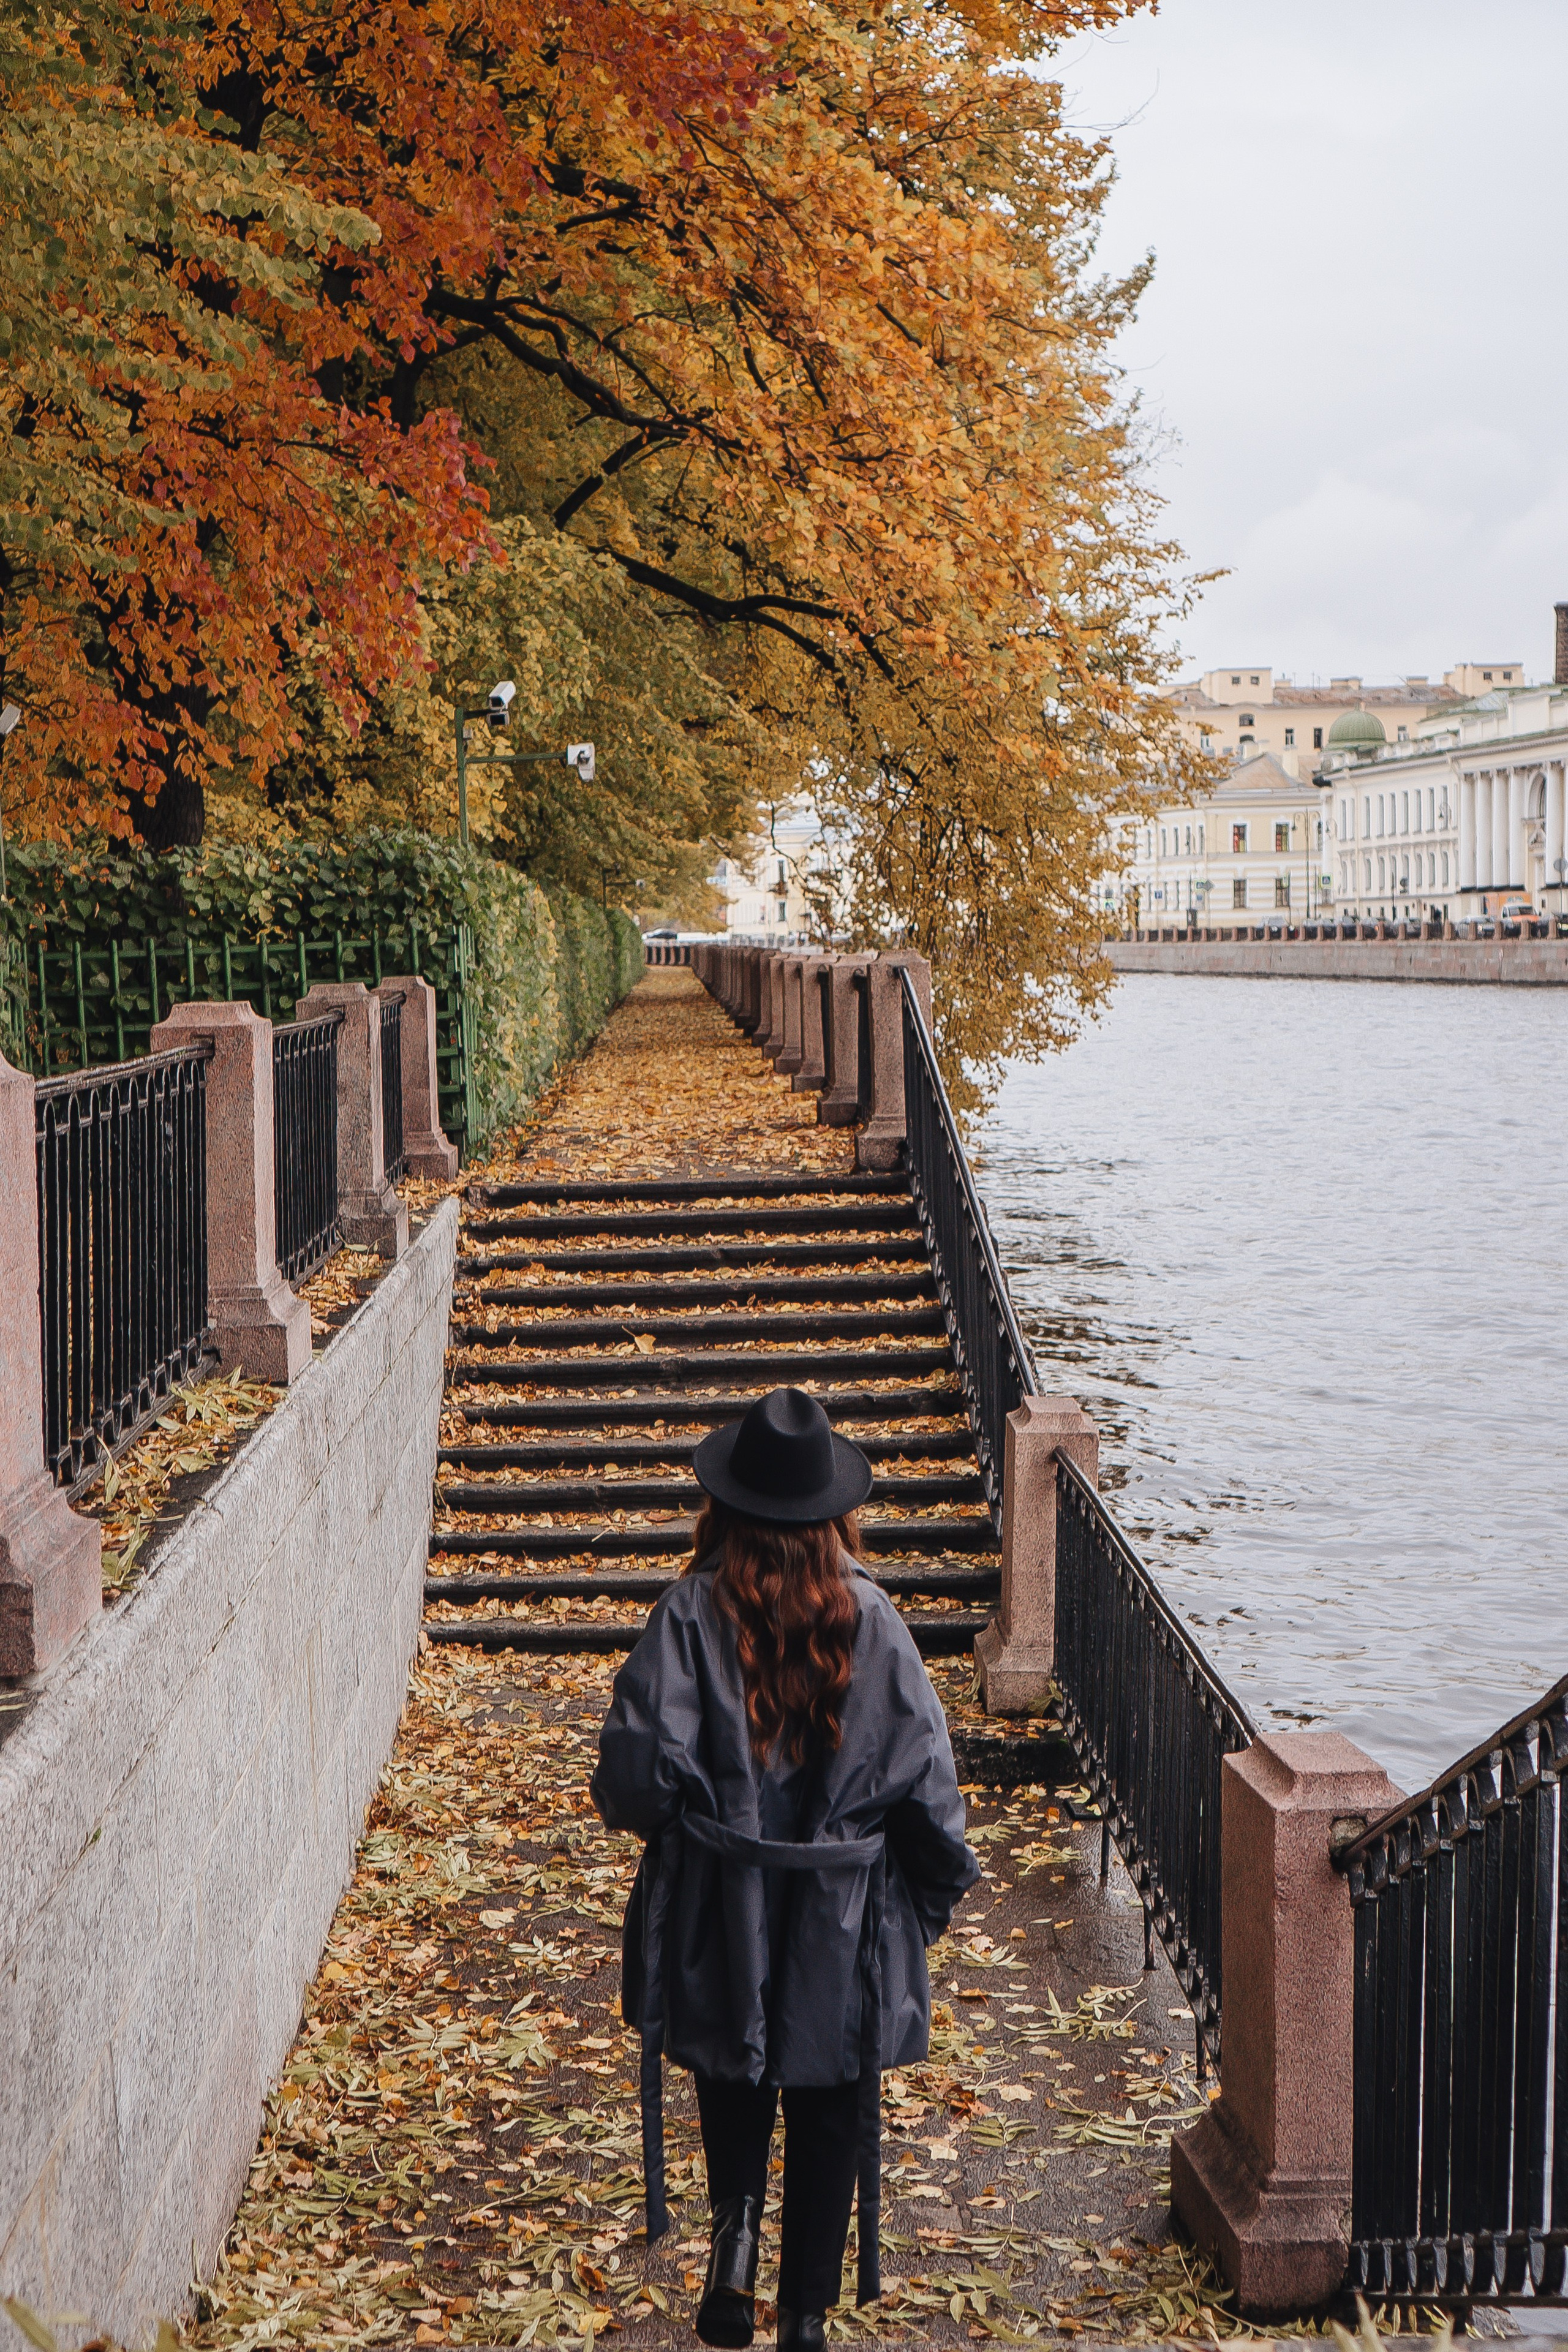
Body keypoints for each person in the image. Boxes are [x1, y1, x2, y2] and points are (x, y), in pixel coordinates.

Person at [592, 1385, 979, 2352]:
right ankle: (804, 2314)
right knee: (830, 2094)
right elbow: (930, 1794)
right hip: (844, 1920)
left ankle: (733, 2247)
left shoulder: (688, 1614)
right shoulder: (877, 1623)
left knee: (733, 2057)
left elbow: (631, 1777)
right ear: (832, 1514)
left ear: (726, 1505)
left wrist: (689, 1838)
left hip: (722, 1907)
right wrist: (914, 1912)